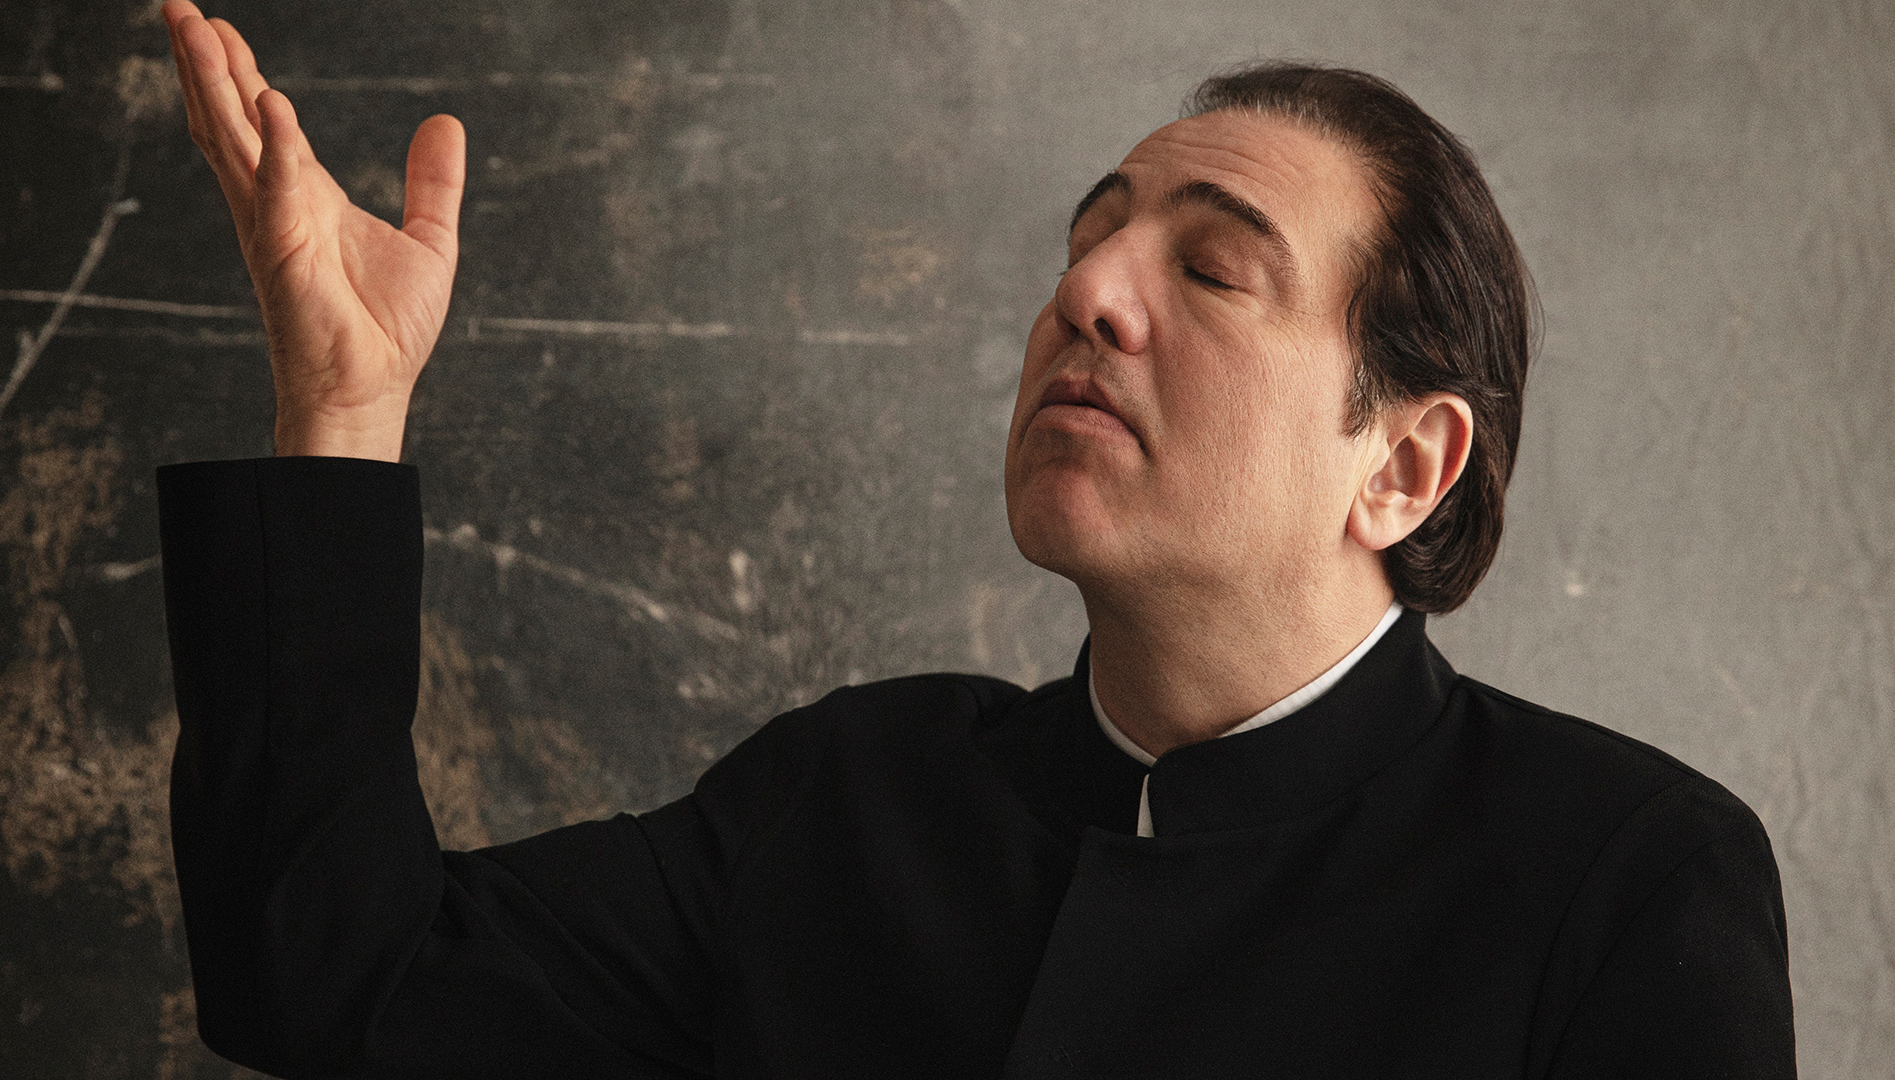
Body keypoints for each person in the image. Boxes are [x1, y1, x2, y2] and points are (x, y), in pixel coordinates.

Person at [155, 2, 1796, 1077]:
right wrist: (343, 406)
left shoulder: (1622, 876)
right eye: (1091, 242)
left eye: (1211, 270)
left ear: (1405, 467)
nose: (1088, 293)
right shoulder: (849, 802)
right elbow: (334, 979)